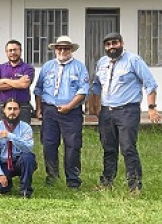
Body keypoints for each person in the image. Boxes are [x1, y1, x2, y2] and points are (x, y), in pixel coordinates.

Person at [91, 32, 159, 192]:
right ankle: (106, 182)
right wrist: (96, 109)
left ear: (121, 43)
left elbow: (150, 84)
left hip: (127, 111)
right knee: (108, 148)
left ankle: (134, 186)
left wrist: (151, 108)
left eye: (115, 43)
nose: (111, 47)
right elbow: (96, 87)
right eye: (108, 44)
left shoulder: (133, 60)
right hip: (107, 112)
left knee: (128, 147)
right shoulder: (102, 62)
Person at [33, 35, 88, 189]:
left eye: (66, 48)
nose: (62, 51)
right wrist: (39, 109)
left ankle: (73, 180)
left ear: (71, 50)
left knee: (72, 145)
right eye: (59, 48)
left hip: (71, 112)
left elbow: (83, 91)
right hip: (49, 110)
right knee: (49, 144)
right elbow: (39, 89)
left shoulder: (79, 67)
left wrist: (69, 106)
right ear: (55, 49)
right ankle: (52, 177)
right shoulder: (47, 66)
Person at [0, 99, 37, 198]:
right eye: (9, 109)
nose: (12, 112)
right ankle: (6, 183)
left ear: (19, 111)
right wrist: (0, 174)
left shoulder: (25, 127)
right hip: (4, 164)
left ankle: (25, 191)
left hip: (19, 161)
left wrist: (11, 136)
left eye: (15, 109)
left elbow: (28, 148)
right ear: (4, 110)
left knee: (28, 157)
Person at [0, 40, 36, 123]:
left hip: (23, 107)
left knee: (23, 134)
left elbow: (24, 84)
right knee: (2, 134)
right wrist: (18, 82)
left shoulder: (28, 68)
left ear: (20, 51)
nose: (13, 52)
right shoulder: (0, 68)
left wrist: (4, 80)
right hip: (3, 107)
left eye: (15, 50)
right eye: (10, 50)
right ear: (6, 52)